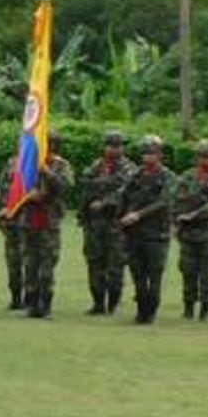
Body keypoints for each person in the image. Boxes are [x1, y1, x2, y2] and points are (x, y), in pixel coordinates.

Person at [8, 134, 73, 319]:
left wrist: (46, 171)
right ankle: (31, 305)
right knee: (30, 265)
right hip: (28, 221)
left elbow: (64, 186)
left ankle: (46, 306)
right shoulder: (28, 164)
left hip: (49, 223)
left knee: (47, 267)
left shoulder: (61, 165)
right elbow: (18, 187)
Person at [117, 135, 175, 323]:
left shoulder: (168, 177)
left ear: (160, 155)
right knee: (137, 274)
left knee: (154, 274)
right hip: (134, 234)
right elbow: (123, 196)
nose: (147, 157)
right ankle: (141, 310)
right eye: (145, 153)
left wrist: (138, 214)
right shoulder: (134, 176)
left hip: (157, 234)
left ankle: (151, 311)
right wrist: (122, 217)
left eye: (152, 153)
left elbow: (164, 201)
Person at [171, 140, 208, 321]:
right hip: (187, 234)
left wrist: (193, 215)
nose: (205, 161)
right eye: (202, 157)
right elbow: (175, 201)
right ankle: (188, 308)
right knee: (188, 272)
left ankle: (205, 310)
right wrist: (176, 221)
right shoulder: (186, 177)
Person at [77, 129, 132, 315]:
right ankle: (98, 303)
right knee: (94, 263)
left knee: (115, 266)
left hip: (116, 224)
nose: (115, 150)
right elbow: (85, 183)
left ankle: (113, 304)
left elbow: (124, 191)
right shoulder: (96, 165)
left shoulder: (129, 168)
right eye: (111, 145)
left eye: (118, 146)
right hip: (94, 224)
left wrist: (104, 200)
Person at [0, 157, 26, 312]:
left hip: (28, 221)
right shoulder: (12, 163)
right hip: (10, 221)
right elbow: (2, 190)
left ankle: (31, 298)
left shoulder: (37, 163)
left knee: (30, 263)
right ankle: (16, 298)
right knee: (13, 262)